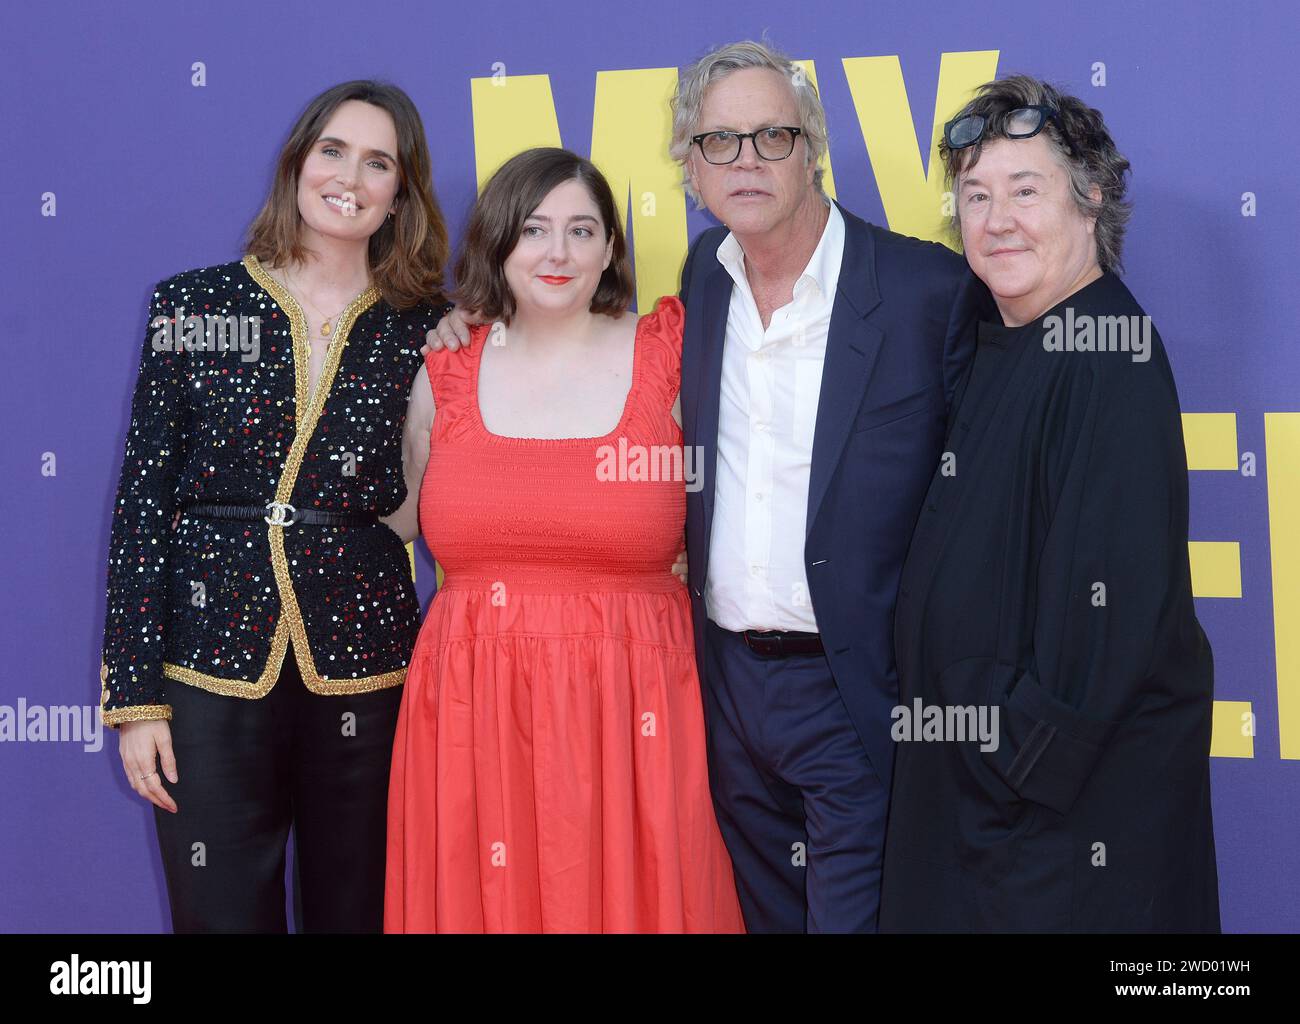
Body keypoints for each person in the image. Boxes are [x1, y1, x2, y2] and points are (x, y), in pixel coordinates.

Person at [433, 40, 991, 932]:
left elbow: (985, 506)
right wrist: (475, 318)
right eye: (719, 142)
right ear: (689, 167)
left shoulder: (927, 288)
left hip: (858, 691)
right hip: (722, 693)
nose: (747, 161)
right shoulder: (703, 287)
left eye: (772, 136)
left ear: (813, 148)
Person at [100, 79, 450, 933]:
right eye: (332, 150)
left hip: (369, 668)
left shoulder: (427, 327)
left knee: (361, 915)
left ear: (399, 194)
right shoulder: (192, 306)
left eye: (378, 163)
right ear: (297, 161)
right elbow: (143, 501)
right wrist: (137, 697)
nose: (350, 177)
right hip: (207, 667)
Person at [879, 76, 1220, 932]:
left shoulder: (1107, 352)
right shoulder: (1014, 339)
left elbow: (1102, 632)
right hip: (987, 827)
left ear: (1091, 197)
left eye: (1025, 191)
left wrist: (1002, 766)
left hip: (1050, 850)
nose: (996, 221)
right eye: (976, 195)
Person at [384, 146, 744, 933]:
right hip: (473, 715)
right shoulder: (442, 369)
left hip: (639, 714)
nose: (558, 252)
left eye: (583, 230)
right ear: (498, 242)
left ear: (612, 248)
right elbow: (397, 522)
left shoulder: (673, 354)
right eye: (535, 229)